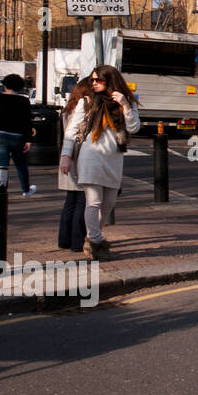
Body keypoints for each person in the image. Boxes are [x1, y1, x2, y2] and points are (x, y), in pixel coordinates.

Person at [58, 65, 140, 261]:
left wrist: (125, 106)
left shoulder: (127, 102)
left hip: (114, 157)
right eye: (92, 80)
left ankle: (91, 236)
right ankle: (96, 241)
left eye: (98, 80)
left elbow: (134, 128)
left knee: (109, 203)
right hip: (90, 154)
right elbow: (71, 131)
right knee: (93, 201)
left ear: (110, 80)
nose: (93, 83)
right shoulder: (86, 102)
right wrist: (66, 155)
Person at [57, 78, 94, 252]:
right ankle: (77, 241)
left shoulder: (67, 109)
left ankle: (64, 239)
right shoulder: (85, 109)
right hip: (79, 158)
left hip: (67, 158)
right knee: (82, 202)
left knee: (70, 202)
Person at [0, 73, 36, 197]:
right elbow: (27, 121)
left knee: (1, 164)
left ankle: (0, 188)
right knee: (21, 164)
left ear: (5, 85)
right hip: (18, 137)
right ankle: (26, 189)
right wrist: (28, 139)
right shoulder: (24, 100)